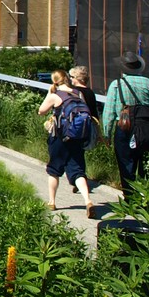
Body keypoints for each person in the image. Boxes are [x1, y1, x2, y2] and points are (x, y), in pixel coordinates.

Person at [100, 52, 149, 197]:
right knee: (143, 160)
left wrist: (107, 134)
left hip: (125, 127)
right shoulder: (148, 82)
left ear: (122, 68)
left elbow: (109, 112)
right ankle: (146, 192)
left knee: (125, 162)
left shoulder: (117, 84)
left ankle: (130, 196)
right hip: (146, 126)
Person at [38, 70, 97, 217]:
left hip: (59, 138)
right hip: (77, 137)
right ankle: (88, 200)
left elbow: (41, 111)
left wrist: (49, 94)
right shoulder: (78, 93)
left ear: (55, 81)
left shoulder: (54, 96)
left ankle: (51, 202)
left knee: (54, 169)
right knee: (77, 171)